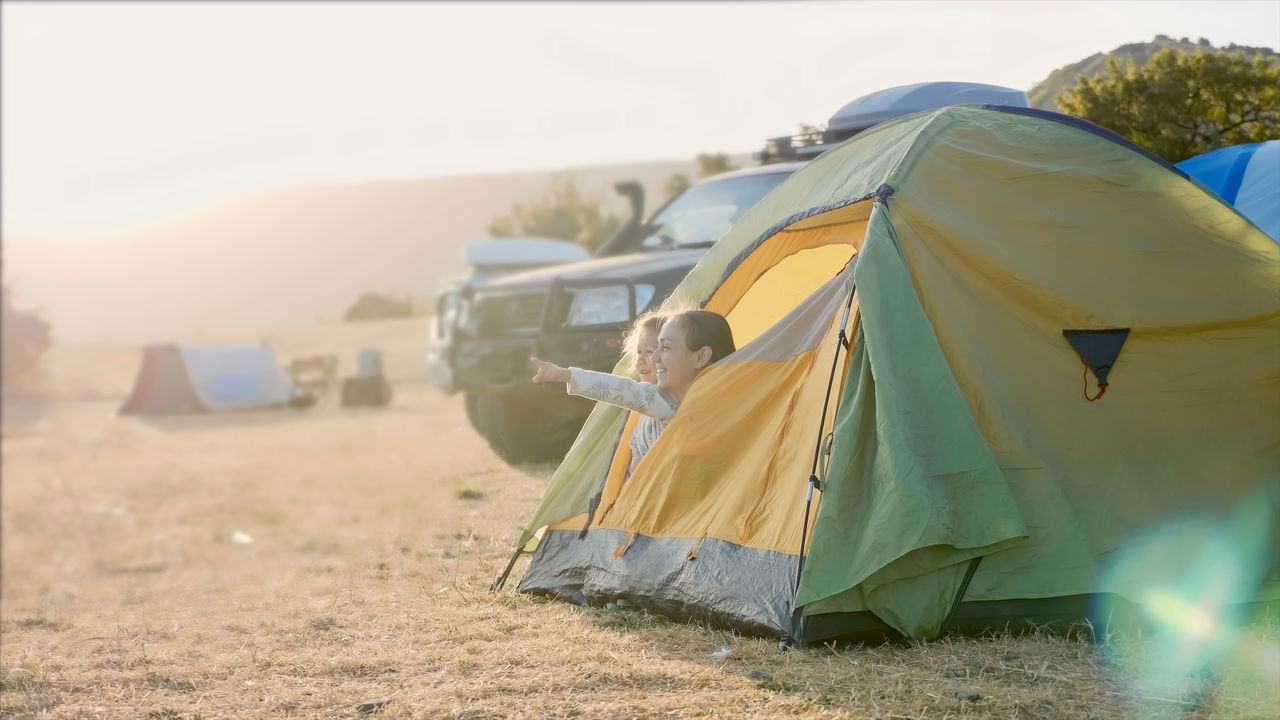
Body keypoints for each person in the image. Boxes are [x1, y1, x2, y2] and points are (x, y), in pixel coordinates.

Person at [531, 309, 735, 476]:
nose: (654, 358)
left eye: (663, 348)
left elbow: (621, 389)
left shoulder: (662, 400)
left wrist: (567, 375)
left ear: (701, 357)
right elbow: (623, 391)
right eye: (642, 351)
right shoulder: (661, 400)